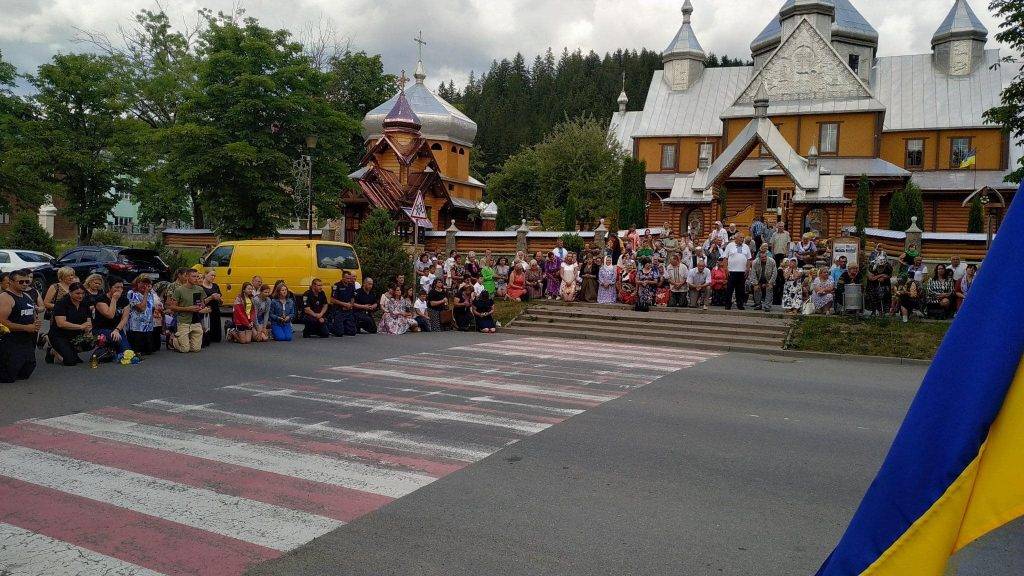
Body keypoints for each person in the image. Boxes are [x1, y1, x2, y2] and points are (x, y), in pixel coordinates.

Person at [0, 269, 41, 382]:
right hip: (11, 339)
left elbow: (32, 312)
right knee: (8, 377)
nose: (24, 284)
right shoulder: (5, 298)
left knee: (27, 371)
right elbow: (2, 322)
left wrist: (36, 322)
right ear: (11, 282)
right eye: (21, 282)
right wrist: (26, 327)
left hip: (26, 339)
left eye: (27, 282)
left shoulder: (26, 296)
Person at [47, 282, 92, 366]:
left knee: (91, 343)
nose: (80, 296)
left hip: (75, 333)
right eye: (77, 293)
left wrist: (88, 332)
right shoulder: (62, 303)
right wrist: (81, 326)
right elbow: (61, 323)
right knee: (70, 362)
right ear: (70, 292)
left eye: (83, 293)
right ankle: (53, 351)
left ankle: (71, 351)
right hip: (59, 335)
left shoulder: (85, 303)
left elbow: (88, 320)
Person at [168, 269, 209, 353]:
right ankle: (173, 340)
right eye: (194, 276)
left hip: (196, 320)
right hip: (184, 321)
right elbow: (172, 307)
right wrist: (188, 309)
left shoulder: (199, 289)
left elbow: (202, 303)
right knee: (185, 349)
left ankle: (186, 341)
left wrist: (202, 307)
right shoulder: (179, 290)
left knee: (196, 349)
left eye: (197, 277)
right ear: (187, 277)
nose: (196, 279)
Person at [93, 279, 131, 357]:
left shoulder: (124, 300)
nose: (119, 290)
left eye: (121, 287)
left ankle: (113, 349)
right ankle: (105, 349)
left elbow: (125, 318)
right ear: (110, 287)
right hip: (102, 328)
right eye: (117, 287)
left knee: (127, 352)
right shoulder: (100, 299)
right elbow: (110, 315)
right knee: (114, 338)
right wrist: (114, 299)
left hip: (116, 328)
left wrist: (117, 330)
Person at [126, 276, 159, 356]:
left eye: (147, 283)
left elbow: (151, 308)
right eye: (143, 283)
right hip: (136, 328)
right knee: (137, 352)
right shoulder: (132, 293)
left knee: (150, 351)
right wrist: (146, 294)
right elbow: (142, 308)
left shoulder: (151, 294)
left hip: (148, 327)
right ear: (137, 283)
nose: (145, 285)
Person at [328, 272, 358, 337]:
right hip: (339, 310)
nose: (349, 280)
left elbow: (353, 297)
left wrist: (350, 305)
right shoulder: (337, 285)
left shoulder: (351, 286)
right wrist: (344, 304)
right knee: (339, 333)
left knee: (353, 332)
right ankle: (330, 326)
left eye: (350, 278)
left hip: (348, 310)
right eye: (347, 278)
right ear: (343, 278)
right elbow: (332, 300)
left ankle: (342, 326)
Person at [750, 247, 777, 312]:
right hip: (759, 279)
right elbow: (753, 273)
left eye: (765, 257)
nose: (764, 258)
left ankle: (767, 306)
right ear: (759, 257)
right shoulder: (755, 262)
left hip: (768, 279)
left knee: (769, 288)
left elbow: (774, 272)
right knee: (756, 288)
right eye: (762, 257)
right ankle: (758, 304)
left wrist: (771, 282)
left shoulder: (772, 261)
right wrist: (755, 283)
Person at [200, 270, 223, 346]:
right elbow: (201, 302)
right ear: (205, 275)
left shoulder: (215, 286)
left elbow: (221, 300)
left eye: (214, 276)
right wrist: (211, 297)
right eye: (211, 275)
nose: (213, 277)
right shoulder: (201, 287)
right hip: (206, 309)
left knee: (217, 337)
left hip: (215, 309)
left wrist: (219, 299)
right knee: (207, 328)